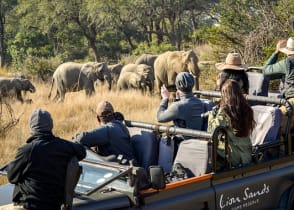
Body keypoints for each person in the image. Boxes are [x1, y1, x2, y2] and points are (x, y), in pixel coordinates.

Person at [6, 109, 86, 210]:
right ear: (51, 126)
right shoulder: (64, 146)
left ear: (31, 128)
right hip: (54, 205)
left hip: (30, 206)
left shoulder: (27, 150)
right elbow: (82, 151)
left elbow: (11, 177)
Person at [208, 79, 255, 169]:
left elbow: (212, 130)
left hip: (234, 158)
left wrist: (212, 115)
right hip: (245, 155)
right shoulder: (247, 109)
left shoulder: (226, 112)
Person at [262, 37, 294, 132]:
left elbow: (266, 70)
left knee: (276, 126)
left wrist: (276, 52)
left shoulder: (288, 62)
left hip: (292, 101)